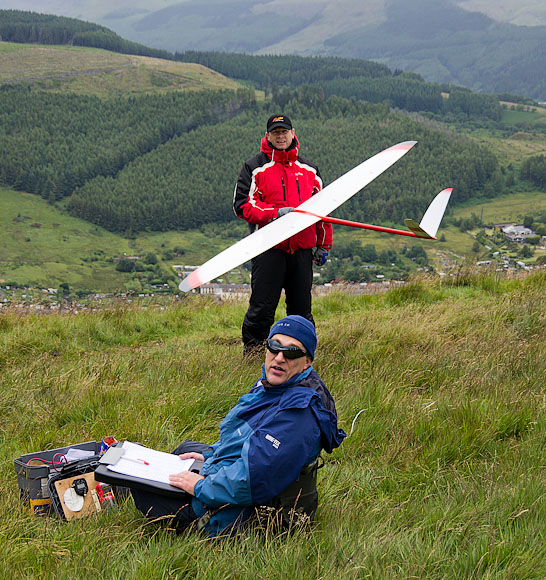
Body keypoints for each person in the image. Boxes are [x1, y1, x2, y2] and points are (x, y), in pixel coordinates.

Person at [131, 315, 346, 537]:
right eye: (274, 346)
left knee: (142, 491)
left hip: (256, 511)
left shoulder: (299, 413)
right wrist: (212, 454)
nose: (280, 358)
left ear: (307, 362)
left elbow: (254, 479)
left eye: (292, 352)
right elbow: (249, 436)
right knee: (186, 451)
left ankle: (120, 491)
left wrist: (199, 486)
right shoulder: (279, 385)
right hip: (249, 474)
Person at [233, 115, 333, 356]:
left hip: (301, 251)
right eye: (275, 132)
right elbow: (242, 206)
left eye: (284, 132)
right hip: (269, 250)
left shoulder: (310, 170)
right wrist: (275, 213)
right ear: (267, 136)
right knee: (262, 308)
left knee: (301, 310)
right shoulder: (254, 167)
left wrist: (323, 244)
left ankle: (302, 356)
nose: (280, 136)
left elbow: (322, 211)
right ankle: (254, 356)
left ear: (292, 133)